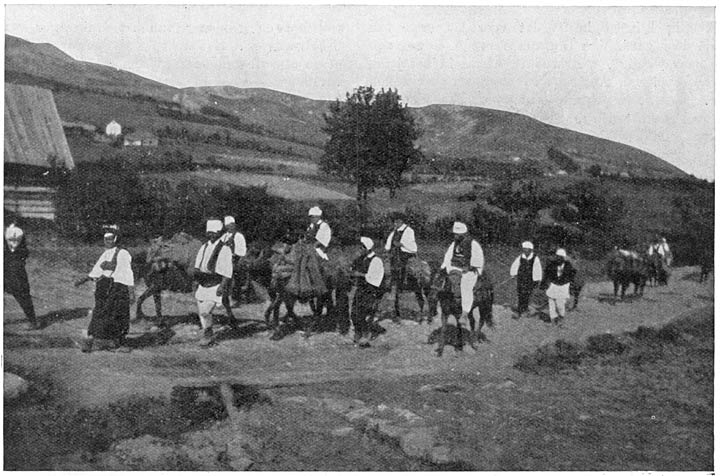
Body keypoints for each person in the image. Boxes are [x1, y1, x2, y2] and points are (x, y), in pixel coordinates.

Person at [75, 225, 134, 352]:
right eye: (106, 240)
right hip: (104, 286)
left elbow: (127, 273)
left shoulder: (123, 253)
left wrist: (131, 291)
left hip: (118, 286)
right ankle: (93, 340)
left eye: (110, 239)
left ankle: (114, 342)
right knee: (102, 312)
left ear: (116, 239)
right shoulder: (106, 253)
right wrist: (85, 279)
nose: (107, 242)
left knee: (116, 314)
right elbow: (96, 270)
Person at [192, 219, 234, 347]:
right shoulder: (204, 247)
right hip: (203, 282)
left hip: (215, 282)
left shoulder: (224, 249)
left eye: (213, 233)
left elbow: (227, 271)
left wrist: (222, 286)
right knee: (201, 311)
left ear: (219, 233)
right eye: (208, 232)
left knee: (206, 311)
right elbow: (197, 266)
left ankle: (208, 335)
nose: (211, 235)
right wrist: (196, 280)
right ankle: (207, 331)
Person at [440, 221, 484, 321]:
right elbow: (448, 255)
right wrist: (444, 267)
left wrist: (469, 267)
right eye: (454, 234)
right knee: (442, 281)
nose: (455, 236)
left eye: (457, 234)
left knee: (466, 287)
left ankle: (464, 313)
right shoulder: (454, 244)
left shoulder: (473, 244)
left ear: (463, 234)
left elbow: (479, 259)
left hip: (468, 270)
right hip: (454, 267)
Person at [4, 223, 42, 330]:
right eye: (10, 240)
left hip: (16, 275)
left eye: (16, 240)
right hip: (5, 272)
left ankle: (33, 322)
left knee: (23, 297)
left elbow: (23, 252)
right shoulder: (5, 246)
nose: (13, 242)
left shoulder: (22, 250)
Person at [350, 237, 385, 348]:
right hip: (361, 289)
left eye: (362, 247)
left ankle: (366, 336)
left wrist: (359, 274)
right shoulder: (361, 259)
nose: (360, 250)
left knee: (363, 313)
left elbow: (373, 278)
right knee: (354, 313)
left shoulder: (376, 260)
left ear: (367, 248)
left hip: (370, 290)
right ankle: (358, 333)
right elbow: (353, 268)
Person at [541, 248, 576, 326]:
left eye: (560, 257)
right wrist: (543, 284)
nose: (558, 259)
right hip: (554, 285)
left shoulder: (568, 266)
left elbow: (572, 277)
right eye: (557, 257)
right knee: (551, 304)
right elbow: (546, 274)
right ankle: (553, 320)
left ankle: (561, 318)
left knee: (560, 304)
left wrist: (571, 288)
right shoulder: (551, 265)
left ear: (564, 258)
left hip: (563, 286)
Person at [384, 212, 418, 289]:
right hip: (395, 254)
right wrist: (387, 249)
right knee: (391, 265)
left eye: (397, 222)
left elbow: (412, 246)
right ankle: (393, 283)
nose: (395, 224)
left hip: (405, 253)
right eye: (394, 222)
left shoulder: (409, 230)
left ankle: (402, 283)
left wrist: (401, 244)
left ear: (401, 221)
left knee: (403, 267)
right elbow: (389, 242)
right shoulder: (395, 231)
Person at [509, 241, 543, 318]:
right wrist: (513, 273)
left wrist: (537, 279)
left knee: (527, 294)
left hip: (530, 280)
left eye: (527, 249)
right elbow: (515, 265)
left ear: (531, 250)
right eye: (524, 249)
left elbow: (537, 269)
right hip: (521, 279)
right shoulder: (520, 257)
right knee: (520, 293)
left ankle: (524, 309)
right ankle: (520, 310)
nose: (525, 251)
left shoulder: (535, 258)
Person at [221, 215, 247, 310]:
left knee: (233, 281)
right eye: (228, 225)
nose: (230, 227)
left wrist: (234, 255)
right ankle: (223, 299)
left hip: (235, 261)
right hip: (224, 260)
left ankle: (234, 299)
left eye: (231, 225)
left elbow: (242, 251)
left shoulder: (239, 236)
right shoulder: (224, 236)